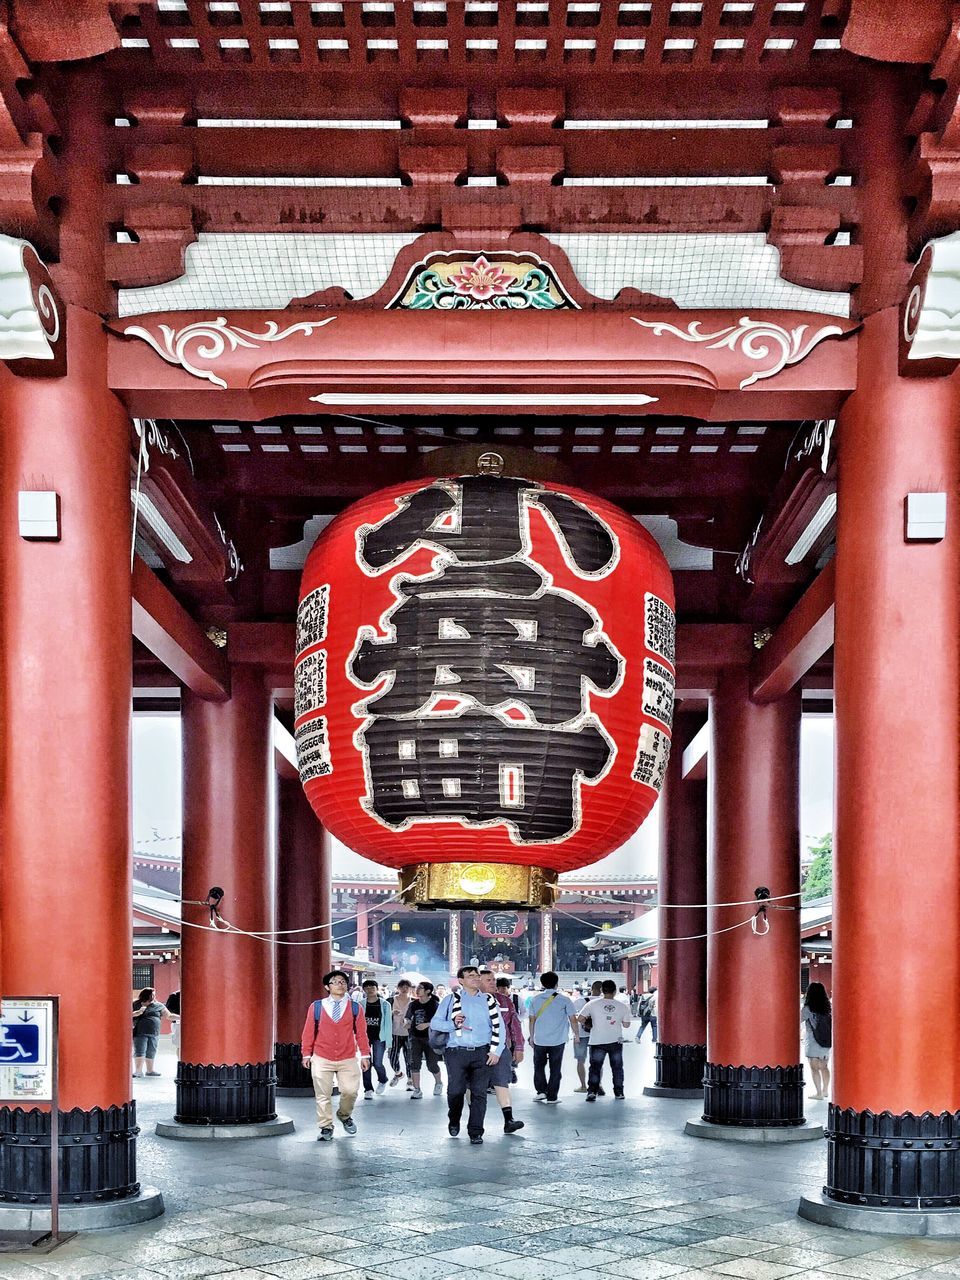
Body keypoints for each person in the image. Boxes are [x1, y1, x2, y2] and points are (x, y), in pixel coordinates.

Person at [430, 964, 504, 1145]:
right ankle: (454, 1119)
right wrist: (453, 1024)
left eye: (477, 975)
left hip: (482, 1053)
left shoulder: (489, 1000)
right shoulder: (450, 1000)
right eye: (471, 976)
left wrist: (496, 1051)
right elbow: (435, 1023)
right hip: (456, 1052)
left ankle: (476, 1131)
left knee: (479, 1093)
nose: (476, 978)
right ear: (461, 980)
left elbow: (499, 1027)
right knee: (456, 1091)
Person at [301, 969, 371, 1142]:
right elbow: (308, 1032)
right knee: (322, 1095)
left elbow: (361, 1033)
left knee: (350, 1091)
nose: (340, 984)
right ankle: (326, 1126)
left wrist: (365, 1055)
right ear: (327, 986)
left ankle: (344, 1115)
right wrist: (306, 1054)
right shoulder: (316, 1007)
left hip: (347, 1057)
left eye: (343, 982)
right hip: (321, 1057)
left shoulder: (355, 1008)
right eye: (336, 982)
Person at [479, 971, 525, 1133]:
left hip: (500, 1047)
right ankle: (475, 1120)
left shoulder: (504, 1000)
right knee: (473, 1085)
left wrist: (519, 1047)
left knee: (501, 1082)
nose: (493, 983)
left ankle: (509, 1119)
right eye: (488, 980)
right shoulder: (469, 1001)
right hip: (477, 1048)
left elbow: (515, 1024)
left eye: (494, 980)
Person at [526, 971, 579, 1104]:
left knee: (538, 1066)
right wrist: (576, 1035)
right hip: (558, 1040)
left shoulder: (535, 999)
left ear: (542, 984)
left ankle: (541, 1092)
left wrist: (531, 1037)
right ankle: (552, 1096)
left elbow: (531, 1020)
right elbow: (573, 1019)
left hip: (539, 1040)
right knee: (555, 1068)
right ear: (556, 984)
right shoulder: (565, 1000)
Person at [579, 979, 632, 1101]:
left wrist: (589, 1023)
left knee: (595, 1067)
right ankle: (619, 1092)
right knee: (617, 1068)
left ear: (602, 990)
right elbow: (626, 1025)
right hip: (615, 1041)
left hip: (597, 1041)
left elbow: (580, 1018)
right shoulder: (622, 1006)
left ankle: (592, 1091)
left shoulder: (592, 1004)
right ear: (615, 991)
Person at [406, 980, 443, 1099]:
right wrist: (406, 1022)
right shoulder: (413, 1004)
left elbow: (440, 1021)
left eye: (420, 988)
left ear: (428, 991)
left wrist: (427, 1024)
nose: (417, 989)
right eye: (417, 987)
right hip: (415, 1037)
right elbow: (408, 1017)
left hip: (431, 1038)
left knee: (432, 1064)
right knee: (414, 1064)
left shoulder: (435, 1004)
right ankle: (417, 1089)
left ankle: (438, 1083)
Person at [802, 981, 832, 1100]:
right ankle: (825, 1090)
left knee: (814, 1068)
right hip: (826, 1040)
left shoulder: (808, 1008)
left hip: (813, 1040)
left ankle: (818, 1093)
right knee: (824, 1067)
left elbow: (798, 1020)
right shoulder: (827, 1007)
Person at [360, 980, 390, 1100]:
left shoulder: (384, 1004)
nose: (369, 989)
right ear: (364, 990)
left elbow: (388, 1023)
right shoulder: (361, 1004)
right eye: (366, 987)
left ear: (377, 989)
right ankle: (368, 1089)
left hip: (379, 1037)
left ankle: (383, 1079)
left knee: (378, 1063)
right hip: (364, 1038)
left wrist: (388, 1040)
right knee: (365, 1063)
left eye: (372, 987)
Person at [572, 980, 603, 1094]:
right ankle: (597, 1085)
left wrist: (575, 1034)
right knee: (597, 1062)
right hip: (598, 1035)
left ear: (591, 989)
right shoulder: (605, 1002)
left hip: (581, 1033)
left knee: (580, 1060)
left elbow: (572, 1018)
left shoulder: (580, 1001)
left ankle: (583, 1086)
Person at [132, 988, 170, 1078]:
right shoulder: (136, 1004)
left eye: (154, 994)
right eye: (152, 994)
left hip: (154, 1032)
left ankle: (150, 1070)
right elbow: (126, 1014)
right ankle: (138, 1071)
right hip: (139, 1032)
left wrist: (182, 1016)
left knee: (151, 1050)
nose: (154, 996)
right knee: (140, 1050)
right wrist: (137, 1012)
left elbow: (169, 1016)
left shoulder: (159, 1005)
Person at [388, 979, 413, 1088]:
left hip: (408, 1033)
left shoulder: (413, 1002)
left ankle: (410, 1079)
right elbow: (383, 1014)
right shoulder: (390, 1001)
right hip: (394, 1033)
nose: (404, 989)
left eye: (407, 987)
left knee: (409, 1057)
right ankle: (398, 1073)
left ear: (410, 989)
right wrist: (392, 1013)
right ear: (397, 988)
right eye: (402, 987)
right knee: (392, 1057)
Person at [165, 990, 181, 1059]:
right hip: (178, 1022)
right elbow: (168, 1011)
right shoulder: (174, 995)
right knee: (180, 1045)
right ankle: (180, 1061)